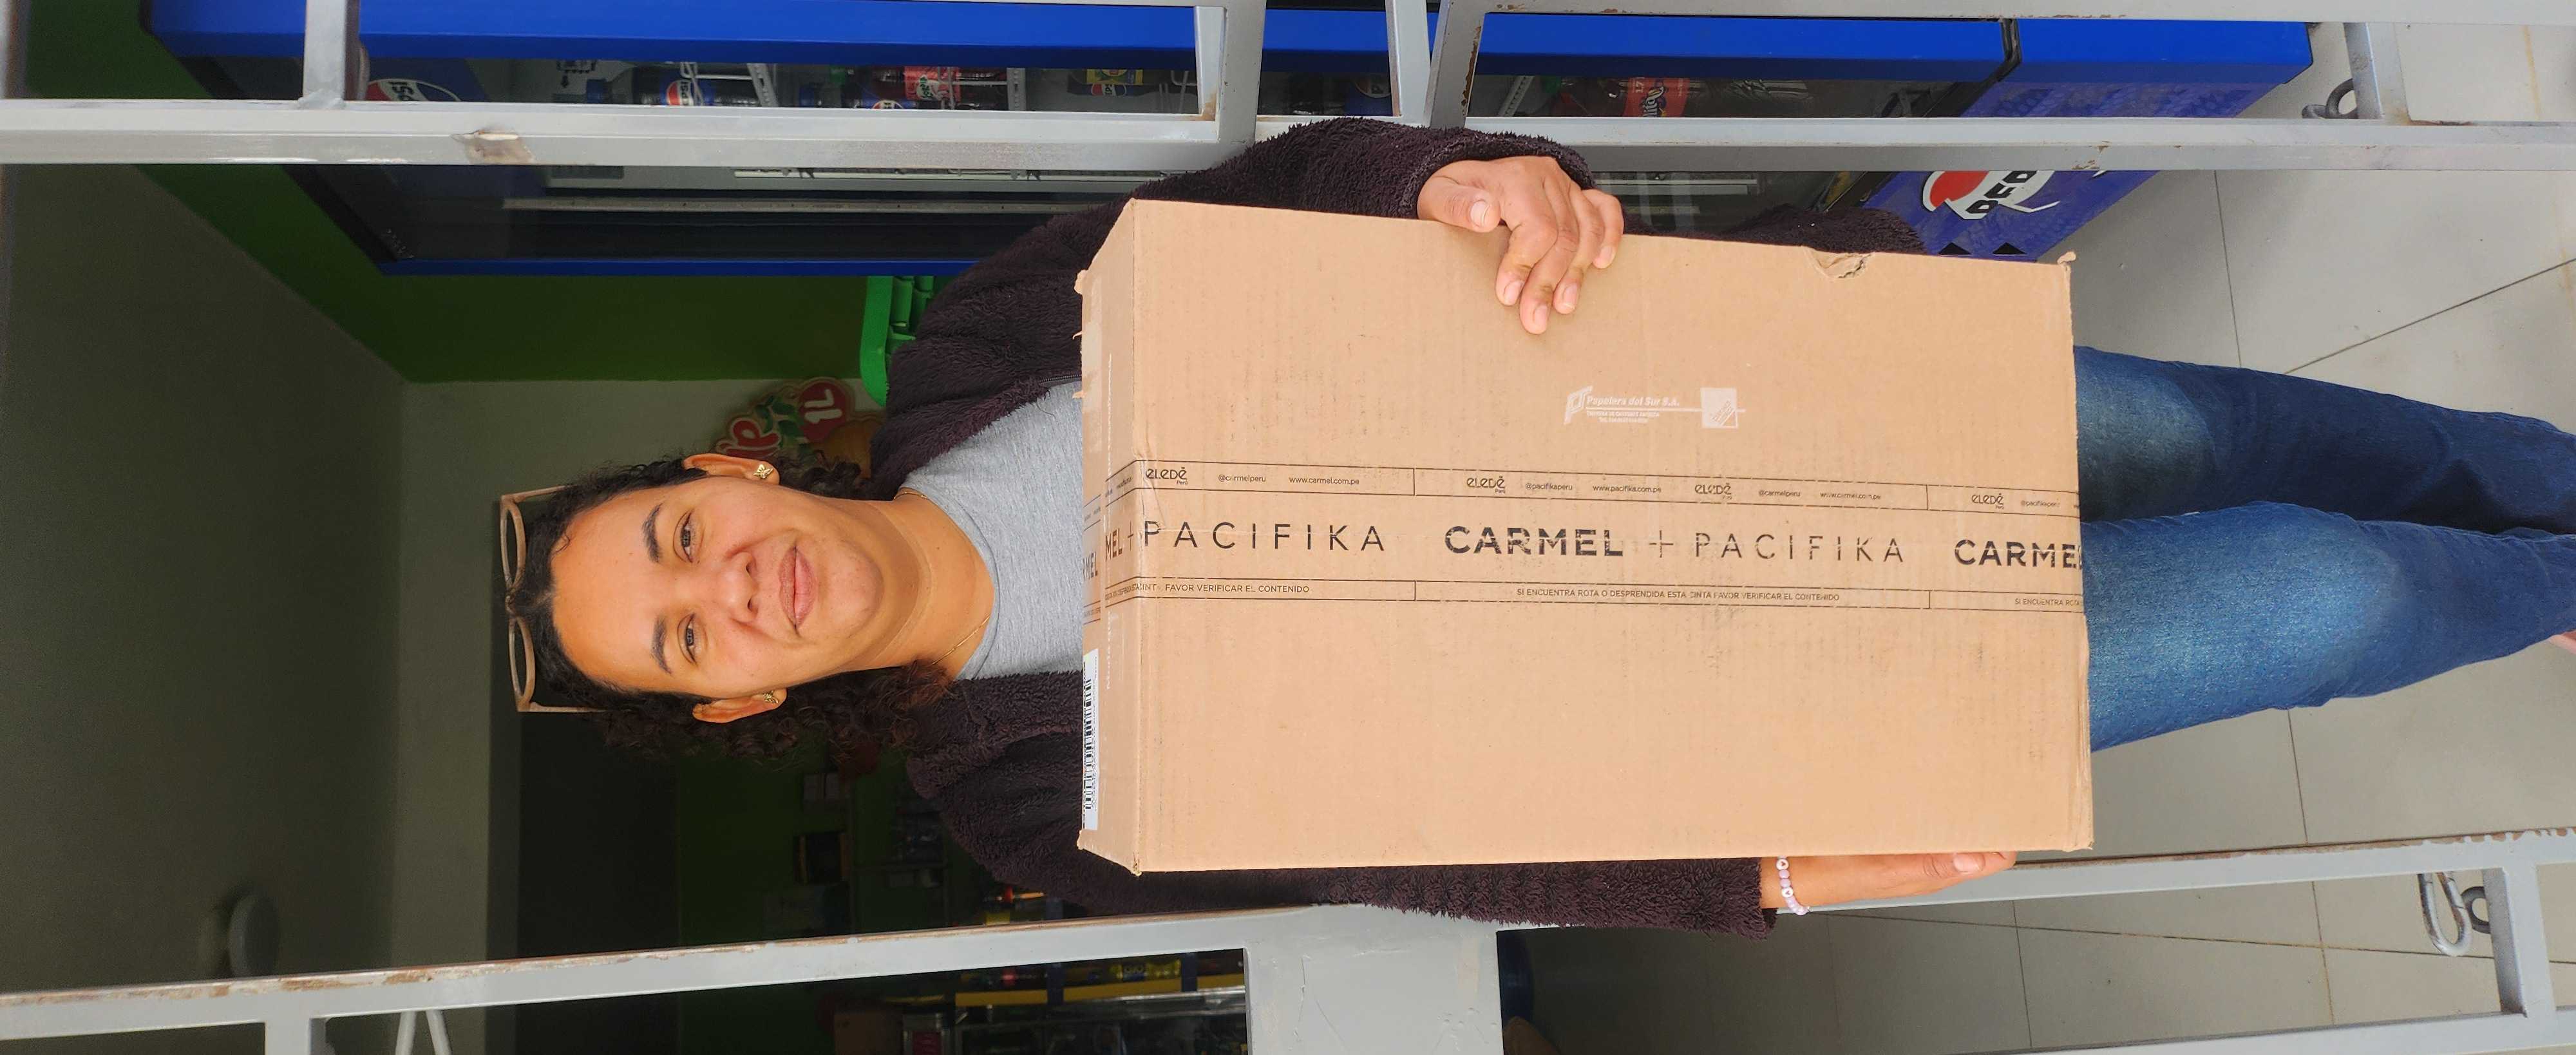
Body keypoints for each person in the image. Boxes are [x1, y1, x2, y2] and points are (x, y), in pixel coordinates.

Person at [502, 119, 2576, 935]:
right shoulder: (1022, 802)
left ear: (730, 474)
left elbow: (1292, 185)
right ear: (734, 705)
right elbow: (1411, 846)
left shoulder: (979, 343)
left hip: (1783, 400)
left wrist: (1452, 184)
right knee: (2329, 591)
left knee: (2230, 429)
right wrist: (1746, 876)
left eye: (677, 541)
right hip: (1778, 683)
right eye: (685, 643)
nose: (726, 593)